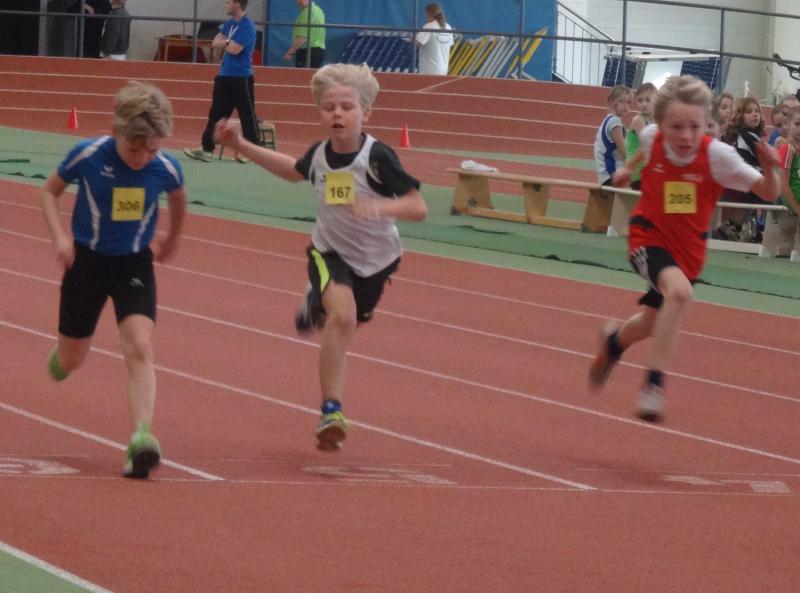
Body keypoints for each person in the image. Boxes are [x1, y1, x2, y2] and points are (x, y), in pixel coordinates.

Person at [213, 63, 427, 450]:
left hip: (377, 262)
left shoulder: (377, 157)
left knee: (345, 324)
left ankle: (315, 301)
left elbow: (417, 206)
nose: (338, 115)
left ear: (366, 112)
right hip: (329, 253)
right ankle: (331, 410)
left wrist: (381, 207)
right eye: (329, 108)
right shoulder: (319, 156)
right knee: (341, 319)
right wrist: (241, 145)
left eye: (347, 107)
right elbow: (292, 170)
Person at [588, 75, 780, 422]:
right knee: (679, 294)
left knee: (651, 323)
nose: (686, 136)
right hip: (648, 237)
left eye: (695, 126)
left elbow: (768, 192)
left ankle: (614, 343)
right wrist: (627, 169)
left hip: (688, 253)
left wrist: (769, 165)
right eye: (676, 127)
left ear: (708, 125)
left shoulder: (719, 157)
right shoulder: (652, 137)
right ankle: (654, 386)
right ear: (661, 125)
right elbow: (644, 149)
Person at [41, 81, 187, 479]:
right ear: (115, 131)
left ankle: (141, 437)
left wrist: (172, 238)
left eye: (151, 150)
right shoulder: (88, 154)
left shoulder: (165, 166)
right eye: (134, 149)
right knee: (71, 359)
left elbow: (178, 198)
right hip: (86, 262)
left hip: (133, 265)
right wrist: (60, 238)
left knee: (140, 346)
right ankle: (63, 356)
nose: (142, 158)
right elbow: (50, 192)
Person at [184, 0, 259, 163]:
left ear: (237, 4)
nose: (225, 5)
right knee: (216, 114)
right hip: (224, 76)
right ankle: (207, 149)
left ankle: (252, 151)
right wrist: (227, 42)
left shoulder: (248, 26)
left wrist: (225, 43)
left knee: (247, 114)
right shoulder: (229, 24)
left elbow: (235, 49)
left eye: (228, 2)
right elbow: (214, 42)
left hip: (241, 77)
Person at [594, 85, 631, 186]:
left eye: (628, 102)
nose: (625, 105)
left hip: (606, 174)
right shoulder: (615, 121)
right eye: (621, 101)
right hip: (612, 174)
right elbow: (624, 152)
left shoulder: (609, 119)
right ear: (612, 102)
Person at [625, 82, 657, 190]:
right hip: (638, 172)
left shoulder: (654, 121)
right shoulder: (638, 120)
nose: (643, 104)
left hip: (647, 170)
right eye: (640, 100)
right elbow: (650, 145)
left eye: (648, 100)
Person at [415, 3, 454, 76]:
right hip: (443, 68)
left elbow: (418, 43)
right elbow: (450, 45)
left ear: (428, 14)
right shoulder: (448, 27)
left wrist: (412, 38)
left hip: (429, 69)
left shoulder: (429, 26)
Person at [284, 0, 325, 68]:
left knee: (302, 74)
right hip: (318, 50)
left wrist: (290, 52)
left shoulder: (307, 12)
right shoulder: (318, 10)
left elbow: (302, 36)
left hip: (307, 51)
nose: (298, 1)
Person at [777, 104, 800, 216]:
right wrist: (798, 210)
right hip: (794, 205)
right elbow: (783, 185)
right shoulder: (787, 149)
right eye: (797, 124)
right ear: (788, 124)